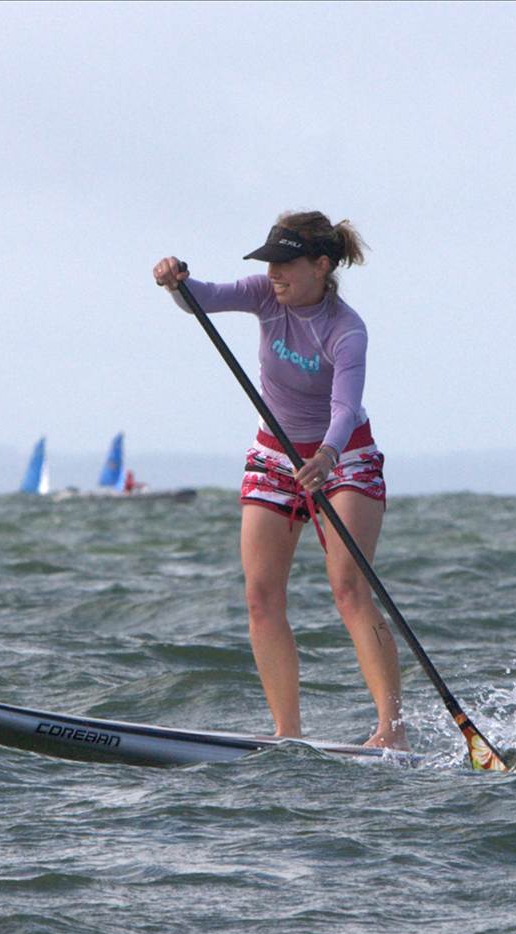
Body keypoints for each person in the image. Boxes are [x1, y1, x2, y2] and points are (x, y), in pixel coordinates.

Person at [152, 211, 405, 750]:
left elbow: (345, 407)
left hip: (344, 456)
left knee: (349, 589)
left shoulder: (346, 330)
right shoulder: (263, 295)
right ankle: (287, 733)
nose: (274, 274)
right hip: (274, 454)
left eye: (286, 264)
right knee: (261, 596)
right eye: (269, 263)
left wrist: (328, 456)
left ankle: (391, 730)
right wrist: (176, 281)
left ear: (321, 265)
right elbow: (201, 298)